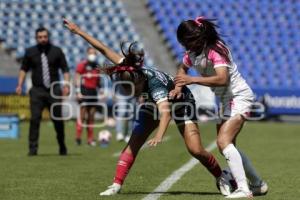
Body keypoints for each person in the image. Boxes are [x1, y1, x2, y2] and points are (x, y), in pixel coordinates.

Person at [63, 18, 231, 196]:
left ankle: (221, 176)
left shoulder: (154, 85)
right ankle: (116, 184)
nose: (128, 92)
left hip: (181, 102)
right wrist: (79, 31)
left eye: (130, 89)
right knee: (134, 142)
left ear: (139, 81)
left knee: (195, 149)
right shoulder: (127, 68)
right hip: (153, 103)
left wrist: (159, 135)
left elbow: (165, 114)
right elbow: (103, 48)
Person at [171, 16, 268, 198]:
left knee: (223, 142)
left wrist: (193, 79)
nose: (185, 46)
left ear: (197, 38)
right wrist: (178, 86)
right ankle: (257, 184)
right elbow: (182, 69)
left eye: (186, 42)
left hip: (238, 96)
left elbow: (223, 79)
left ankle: (243, 189)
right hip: (224, 101)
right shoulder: (192, 53)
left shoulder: (216, 49)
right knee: (228, 146)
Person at [16, 27, 70, 156]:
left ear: (48, 37)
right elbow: (24, 69)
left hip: (54, 90)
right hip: (37, 91)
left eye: (45, 37)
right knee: (34, 119)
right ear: (36, 38)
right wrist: (19, 84)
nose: (43, 39)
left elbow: (65, 69)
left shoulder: (57, 51)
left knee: (57, 120)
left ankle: (62, 146)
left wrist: (67, 85)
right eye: (40, 37)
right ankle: (32, 149)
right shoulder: (30, 52)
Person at [75, 47, 100, 146]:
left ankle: (90, 139)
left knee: (91, 117)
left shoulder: (97, 67)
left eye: (94, 53)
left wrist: (101, 90)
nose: (92, 55)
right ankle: (78, 137)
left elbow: (98, 81)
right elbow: (77, 77)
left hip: (93, 93)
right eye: (91, 53)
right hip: (84, 91)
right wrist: (78, 91)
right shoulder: (83, 65)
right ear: (87, 54)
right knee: (82, 116)